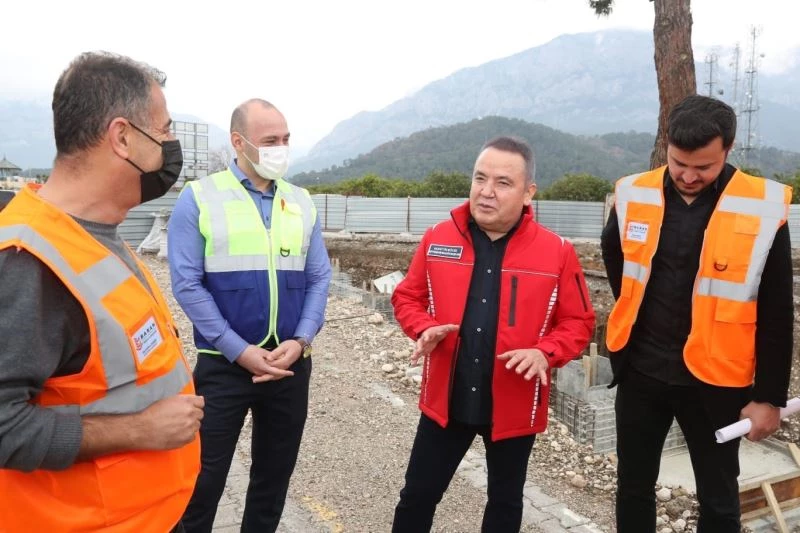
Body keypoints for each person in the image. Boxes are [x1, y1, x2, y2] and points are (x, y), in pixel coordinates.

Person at [0, 52, 202, 533]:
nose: (171, 145)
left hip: (148, 514)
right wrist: (139, 429)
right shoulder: (28, 263)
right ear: (122, 137)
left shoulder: (95, 234)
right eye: (164, 130)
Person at [601, 94, 794, 532]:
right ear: (667, 145)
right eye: (678, 163)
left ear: (728, 149)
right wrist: (634, 310)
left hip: (717, 381)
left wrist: (768, 397)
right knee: (633, 487)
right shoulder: (634, 193)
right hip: (642, 372)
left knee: (719, 499)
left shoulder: (762, 208)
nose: (689, 176)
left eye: (703, 167)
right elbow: (616, 257)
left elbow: (777, 310)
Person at [390, 136, 596, 532]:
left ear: (528, 192)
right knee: (417, 496)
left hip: (514, 401)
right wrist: (424, 327)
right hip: (445, 400)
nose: (486, 191)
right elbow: (407, 297)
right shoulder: (437, 238)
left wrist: (545, 352)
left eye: (503, 182)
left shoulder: (556, 251)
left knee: (504, 503)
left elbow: (578, 322)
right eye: (480, 178)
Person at [169, 99, 332, 533]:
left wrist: (301, 340)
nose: (281, 148)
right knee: (201, 481)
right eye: (270, 140)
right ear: (238, 142)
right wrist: (238, 351)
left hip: (289, 366)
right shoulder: (199, 198)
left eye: (286, 139)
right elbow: (187, 284)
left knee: (272, 482)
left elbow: (319, 276)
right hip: (223, 366)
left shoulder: (301, 201)